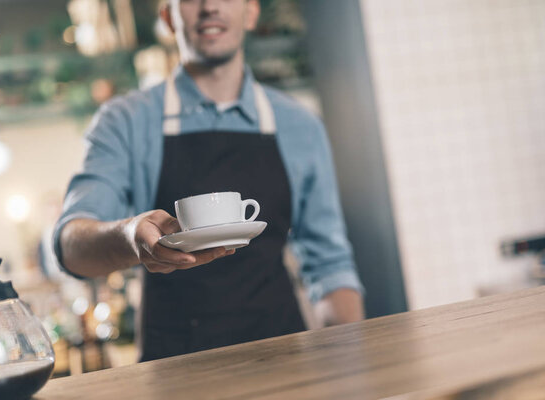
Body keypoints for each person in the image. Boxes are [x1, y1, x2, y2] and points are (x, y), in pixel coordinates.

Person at [54, 0, 365, 362]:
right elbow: (69, 245)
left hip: (286, 362)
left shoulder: (301, 126)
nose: (210, 7)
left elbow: (330, 265)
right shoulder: (124, 122)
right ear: (169, 17)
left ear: (251, 12)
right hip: (175, 368)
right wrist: (129, 238)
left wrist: (349, 367)